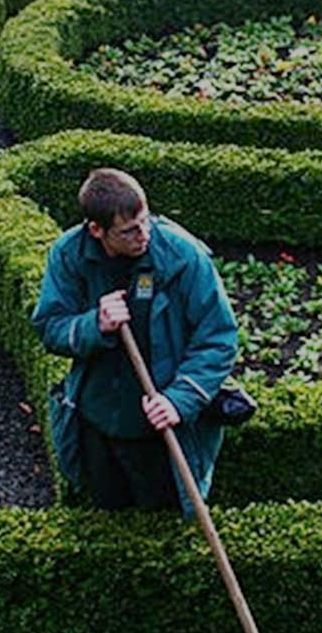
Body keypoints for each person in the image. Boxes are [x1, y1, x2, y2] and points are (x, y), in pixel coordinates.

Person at [31, 167, 239, 514]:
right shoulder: (69, 254)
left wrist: (179, 399)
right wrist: (93, 324)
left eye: (145, 221)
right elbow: (50, 326)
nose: (143, 235)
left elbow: (218, 337)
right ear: (96, 230)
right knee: (106, 515)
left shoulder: (183, 256)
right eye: (128, 231)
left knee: (163, 520)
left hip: (159, 431)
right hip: (96, 422)